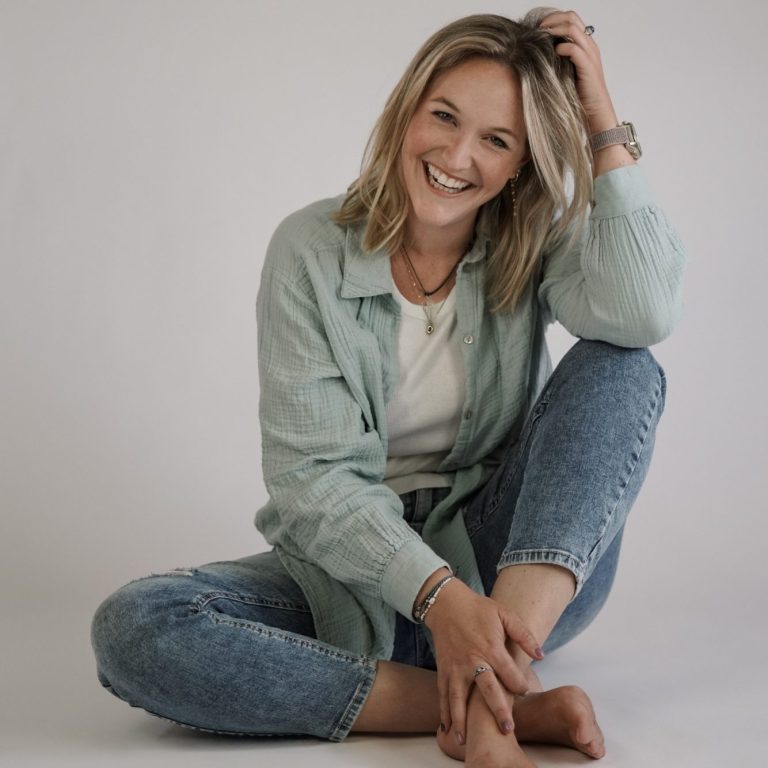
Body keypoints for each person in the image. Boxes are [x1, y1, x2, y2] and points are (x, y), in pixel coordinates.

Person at [90, 8, 686, 767]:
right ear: (407, 110)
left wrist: (602, 123)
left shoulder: (533, 241)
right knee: (139, 628)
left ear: (520, 165)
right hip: (354, 579)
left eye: (497, 140)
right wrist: (439, 600)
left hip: (511, 574)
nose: (457, 155)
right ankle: (502, 705)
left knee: (621, 365)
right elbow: (315, 481)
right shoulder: (309, 249)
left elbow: (644, 313)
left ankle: (491, 678)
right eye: (444, 116)